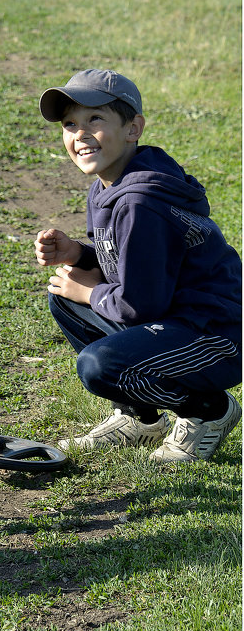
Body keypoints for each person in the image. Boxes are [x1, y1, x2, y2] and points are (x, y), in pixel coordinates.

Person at [35, 68, 241, 463]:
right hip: (173, 318)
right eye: (70, 124)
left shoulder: (141, 201)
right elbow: (127, 263)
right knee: (64, 298)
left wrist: (90, 291)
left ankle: (207, 410)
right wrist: (79, 254)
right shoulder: (109, 184)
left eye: (95, 119)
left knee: (98, 365)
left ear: (133, 129)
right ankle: (140, 419)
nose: (80, 134)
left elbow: (139, 303)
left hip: (217, 337)